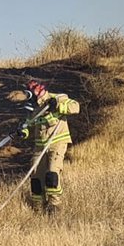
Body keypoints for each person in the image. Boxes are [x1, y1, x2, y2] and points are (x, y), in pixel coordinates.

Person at [15, 78, 81, 214]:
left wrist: (57, 106)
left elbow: (76, 107)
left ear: (38, 91)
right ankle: (38, 208)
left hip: (57, 144)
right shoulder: (34, 108)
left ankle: (54, 206)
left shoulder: (57, 98)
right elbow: (30, 127)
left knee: (52, 174)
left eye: (30, 94)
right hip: (40, 146)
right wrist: (23, 132)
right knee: (36, 177)